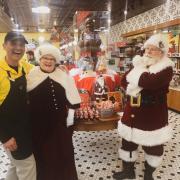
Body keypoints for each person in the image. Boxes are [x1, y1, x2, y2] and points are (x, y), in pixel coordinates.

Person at [113, 34, 174, 180]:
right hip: (131, 110)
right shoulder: (140, 64)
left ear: (162, 52)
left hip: (152, 114)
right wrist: (138, 78)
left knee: (153, 146)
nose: (148, 52)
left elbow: (149, 82)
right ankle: (128, 171)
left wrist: (137, 76)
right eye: (147, 48)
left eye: (153, 49)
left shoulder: (166, 68)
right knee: (128, 142)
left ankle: (148, 174)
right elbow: (123, 81)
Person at [27, 44, 81, 180]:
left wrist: (70, 119)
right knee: (44, 157)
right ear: (40, 58)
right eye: (45, 57)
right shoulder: (31, 75)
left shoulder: (62, 75)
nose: (48, 61)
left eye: (52, 58)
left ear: (56, 60)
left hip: (60, 125)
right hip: (38, 127)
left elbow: (73, 97)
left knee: (64, 154)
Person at [0, 31, 36, 180]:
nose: (18, 48)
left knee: (16, 166)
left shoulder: (26, 68)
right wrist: (5, 137)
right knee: (28, 167)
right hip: (11, 133)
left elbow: (44, 74)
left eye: (21, 44)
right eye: (13, 43)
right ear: (4, 46)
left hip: (25, 129)